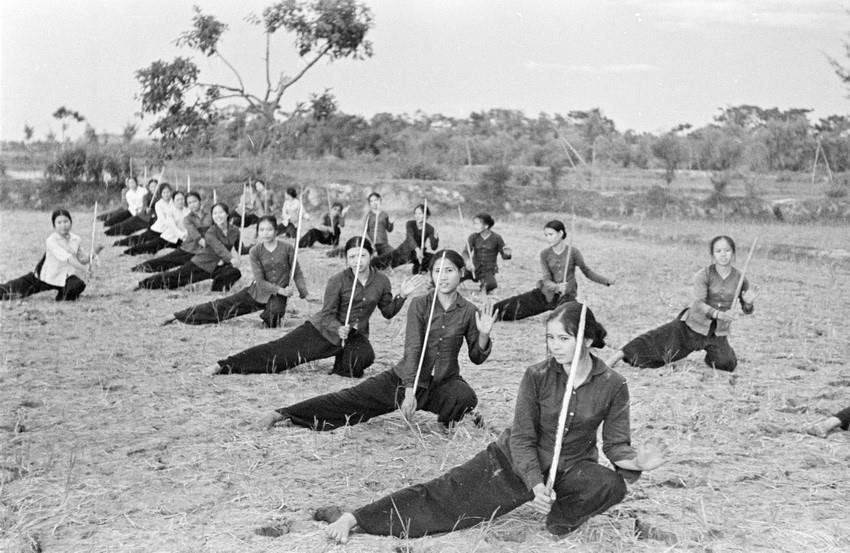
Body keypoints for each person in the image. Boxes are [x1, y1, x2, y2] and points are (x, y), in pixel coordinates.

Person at [320, 301, 668, 543]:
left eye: (564, 338)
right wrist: (534, 484)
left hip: (570, 469)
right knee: (442, 500)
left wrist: (638, 462)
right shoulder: (537, 376)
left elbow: (615, 445)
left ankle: (560, 520)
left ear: (588, 340)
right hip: (513, 464)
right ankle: (357, 518)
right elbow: (522, 438)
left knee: (611, 484)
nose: (555, 347)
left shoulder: (613, 384)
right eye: (551, 338)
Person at [254, 250, 495, 431]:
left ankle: (449, 422)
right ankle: (283, 414)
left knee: (465, 397)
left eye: (450, 270)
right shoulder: (421, 305)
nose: (443, 277)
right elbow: (413, 348)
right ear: (431, 275)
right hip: (405, 380)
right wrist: (409, 392)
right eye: (437, 271)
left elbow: (476, 357)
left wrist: (483, 334)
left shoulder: (468, 310)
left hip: (442, 382)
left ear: (462, 273)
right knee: (349, 400)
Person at [209, 237, 428, 378]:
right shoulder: (337, 280)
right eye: (352, 256)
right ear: (346, 259)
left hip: (352, 335)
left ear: (371, 256)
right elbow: (327, 314)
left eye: (362, 255)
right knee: (279, 356)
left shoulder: (382, 281)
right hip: (322, 330)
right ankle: (226, 365)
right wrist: (337, 328)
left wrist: (402, 295)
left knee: (362, 359)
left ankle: (340, 366)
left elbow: (388, 311)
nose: (357, 261)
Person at [607, 235, 757, 372]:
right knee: (656, 342)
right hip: (692, 326)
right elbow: (699, 303)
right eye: (718, 251)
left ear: (733, 253)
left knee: (727, 364)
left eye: (727, 250)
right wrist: (718, 314)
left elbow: (746, 308)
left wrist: (749, 304)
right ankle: (620, 354)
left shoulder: (740, 278)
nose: (723, 254)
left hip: (717, 333)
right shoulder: (703, 275)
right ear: (712, 255)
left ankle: (709, 354)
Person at [164, 216, 308, 327]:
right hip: (256, 292)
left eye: (269, 229)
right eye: (262, 230)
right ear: (258, 232)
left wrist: (303, 292)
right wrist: (281, 290)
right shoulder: (255, 251)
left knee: (273, 319)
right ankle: (179, 315)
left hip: (277, 297)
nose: (265, 233)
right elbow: (260, 281)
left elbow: (297, 272)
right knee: (222, 306)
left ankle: (268, 315)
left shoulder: (288, 249)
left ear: (276, 231)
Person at [494, 220, 613, 321]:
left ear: (561, 233)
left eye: (551, 234)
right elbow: (546, 279)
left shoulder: (573, 252)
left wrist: (606, 281)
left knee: (577, 318)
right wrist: (557, 287)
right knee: (504, 309)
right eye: (546, 235)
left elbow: (587, 272)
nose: (548, 238)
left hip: (566, 298)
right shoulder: (545, 254)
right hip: (545, 295)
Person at [136, 202, 242, 292]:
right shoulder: (211, 232)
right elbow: (219, 248)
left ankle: (217, 291)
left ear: (227, 214)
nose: (218, 216)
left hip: (217, 267)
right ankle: (144, 284)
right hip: (201, 264)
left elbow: (236, 248)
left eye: (221, 212)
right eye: (215, 213)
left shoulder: (235, 231)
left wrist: (241, 255)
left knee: (235, 273)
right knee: (175, 278)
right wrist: (231, 259)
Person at [0, 209, 100, 301]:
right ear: (54, 226)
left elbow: (83, 259)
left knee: (78, 285)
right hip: (47, 277)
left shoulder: (76, 239)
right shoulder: (51, 241)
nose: (63, 225)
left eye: (66, 221)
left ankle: (62, 297)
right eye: (59, 222)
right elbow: (68, 259)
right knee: (11, 290)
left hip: (64, 277)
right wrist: (84, 269)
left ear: (70, 223)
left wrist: (95, 251)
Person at [131, 191, 210, 272]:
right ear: (174, 201)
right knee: (167, 259)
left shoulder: (204, 215)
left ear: (200, 201)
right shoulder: (185, 217)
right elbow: (190, 234)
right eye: (190, 202)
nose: (192, 204)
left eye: (195, 201)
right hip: (176, 240)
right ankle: (140, 266)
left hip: (190, 245)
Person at [371, 203, 438, 274]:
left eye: (420, 214)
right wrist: (417, 249)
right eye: (416, 214)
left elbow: (433, 247)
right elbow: (410, 237)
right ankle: (371, 264)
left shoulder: (430, 228)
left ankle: (418, 271)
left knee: (433, 258)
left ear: (426, 216)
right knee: (381, 262)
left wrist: (436, 238)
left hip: (418, 255)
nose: (417, 216)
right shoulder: (410, 224)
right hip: (404, 252)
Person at [124, 188, 187, 256]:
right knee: (149, 247)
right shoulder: (170, 212)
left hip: (181, 240)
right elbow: (174, 229)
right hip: (169, 238)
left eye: (182, 199)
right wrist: (184, 236)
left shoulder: (187, 211)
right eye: (178, 200)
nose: (180, 201)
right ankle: (128, 251)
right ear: (173, 201)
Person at [463, 213, 511, 294]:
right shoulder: (473, 237)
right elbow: (465, 253)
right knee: (454, 277)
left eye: (477, 224)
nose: (474, 226)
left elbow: (505, 256)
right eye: (474, 224)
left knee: (491, 284)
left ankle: (483, 287)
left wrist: (507, 254)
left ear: (486, 226)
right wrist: (467, 262)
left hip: (488, 270)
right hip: (473, 267)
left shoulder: (497, 238)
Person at [364, 192, 394, 256]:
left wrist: (391, 223)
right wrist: (371, 244)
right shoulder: (369, 215)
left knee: (394, 255)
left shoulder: (384, 214)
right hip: (373, 244)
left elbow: (389, 229)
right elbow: (365, 231)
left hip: (384, 243)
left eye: (375, 200)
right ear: (369, 203)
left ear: (379, 200)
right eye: (371, 201)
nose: (374, 203)